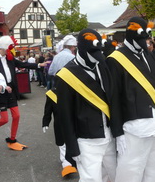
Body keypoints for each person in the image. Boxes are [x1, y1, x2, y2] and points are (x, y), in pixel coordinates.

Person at [107, 17, 155, 182]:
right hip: (135, 127)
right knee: (130, 172)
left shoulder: (149, 55)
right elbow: (113, 98)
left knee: (154, 170)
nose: (146, 43)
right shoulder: (115, 60)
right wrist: (117, 132)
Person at [56, 29, 116, 182]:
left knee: (115, 176)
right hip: (86, 140)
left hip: (110, 135)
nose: (96, 59)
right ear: (80, 50)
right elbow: (65, 116)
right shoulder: (66, 75)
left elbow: (112, 98)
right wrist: (71, 147)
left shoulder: (101, 65)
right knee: (91, 179)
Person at [0, 36, 44, 151]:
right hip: (0, 92)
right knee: (4, 119)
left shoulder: (10, 58)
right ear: (4, 47)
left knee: (17, 116)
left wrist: (39, 65)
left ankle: (12, 139)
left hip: (11, 90)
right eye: (9, 48)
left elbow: (22, 64)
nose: (11, 51)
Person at [43, 35, 78, 177]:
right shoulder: (73, 58)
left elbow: (50, 72)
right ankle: (72, 157)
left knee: (59, 118)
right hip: (71, 89)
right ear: (73, 47)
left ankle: (65, 158)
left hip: (57, 88)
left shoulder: (57, 57)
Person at [42, 89, 77, 177]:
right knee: (62, 143)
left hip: (74, 122)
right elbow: (48, 110)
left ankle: (74, 159)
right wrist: (45, 122)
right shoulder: (52, 94)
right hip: (60, 124)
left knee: (75, 141)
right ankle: (66, 164)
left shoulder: (74, 90)